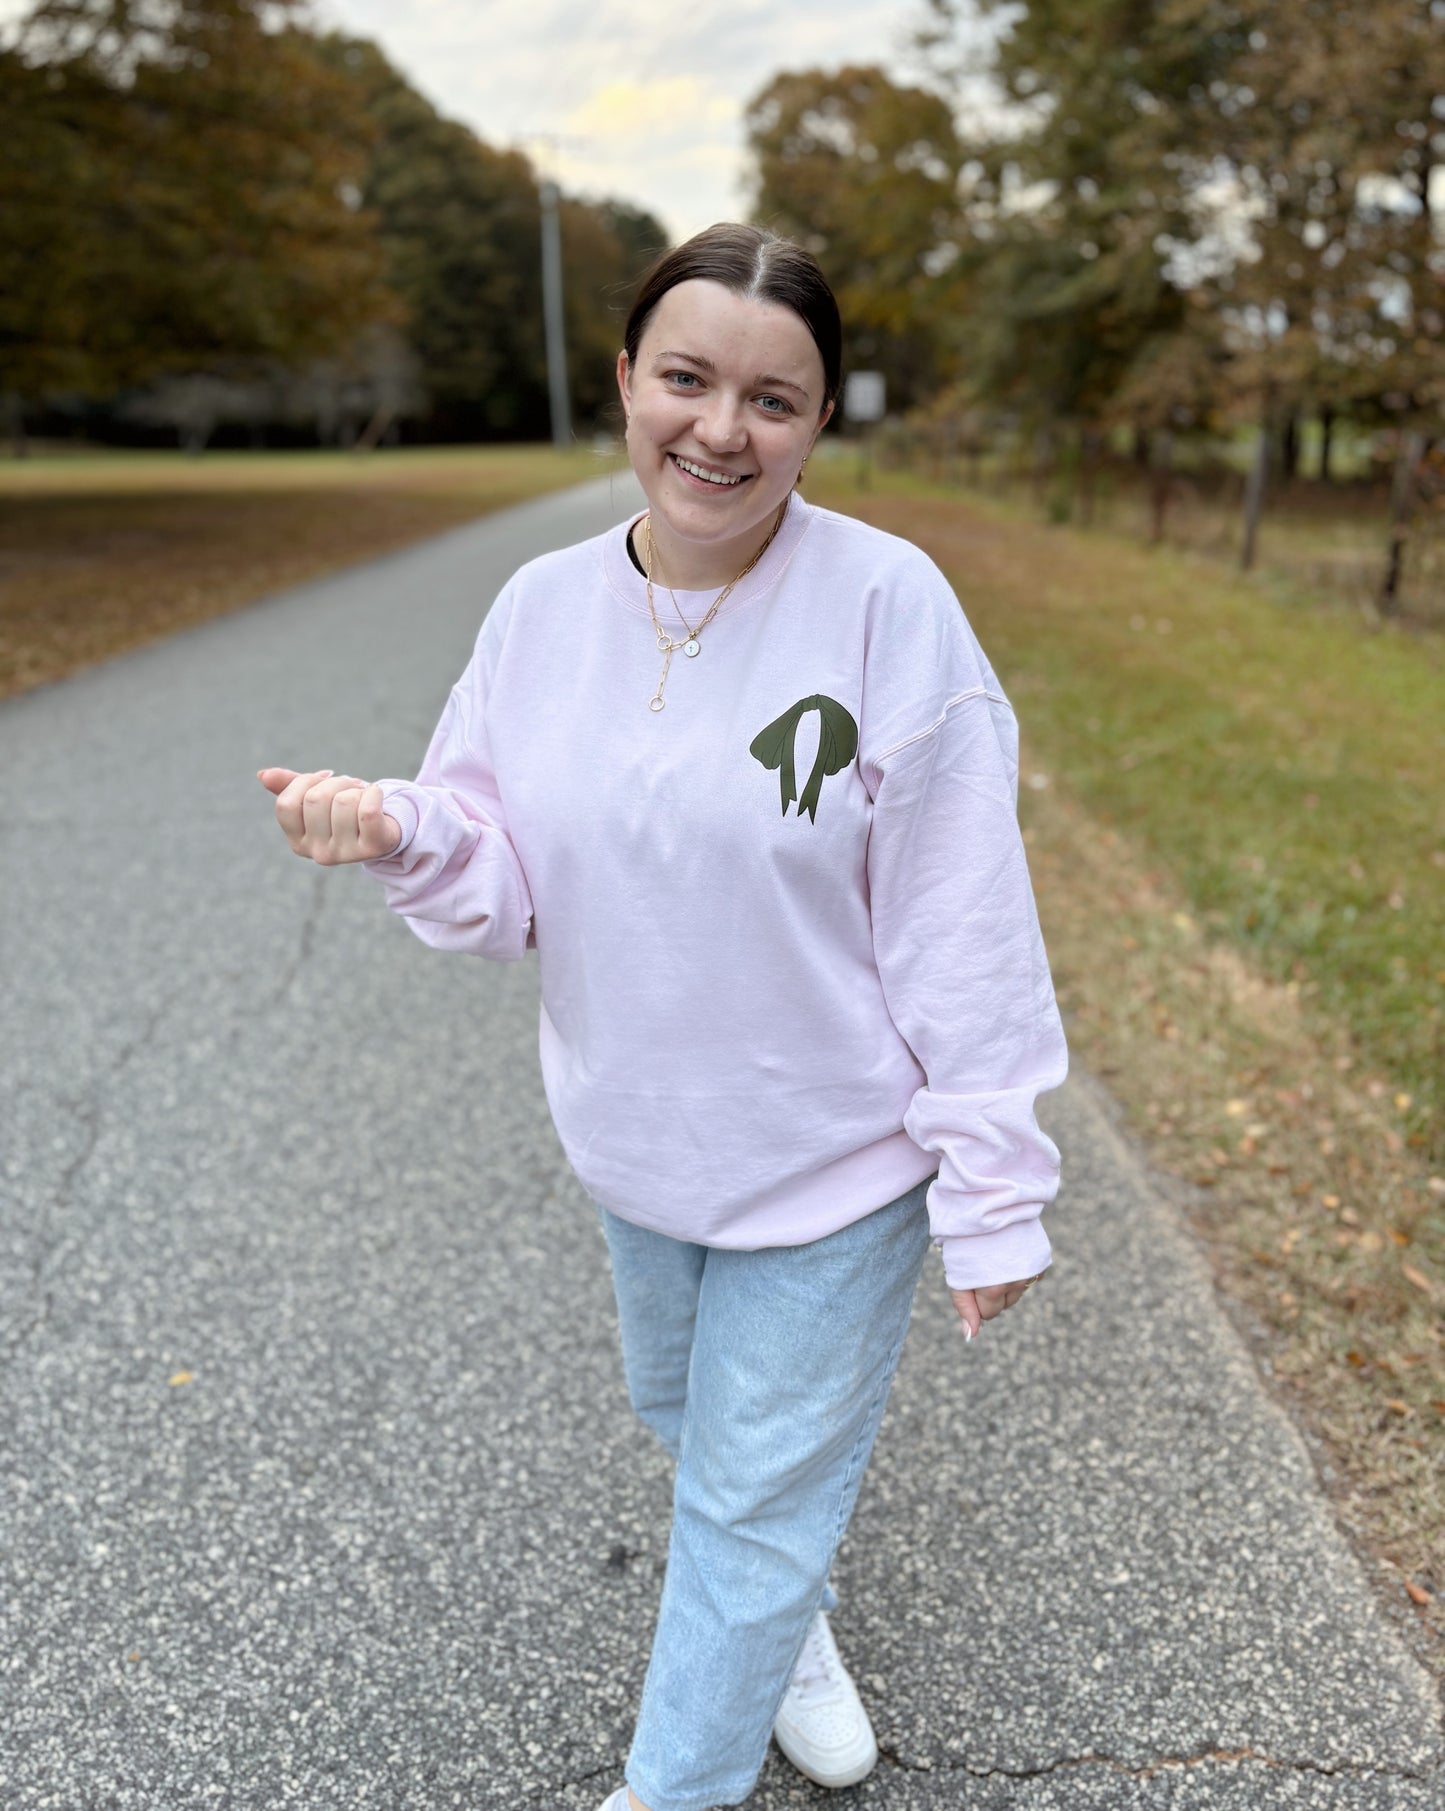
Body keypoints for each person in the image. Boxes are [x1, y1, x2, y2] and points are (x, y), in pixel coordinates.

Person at [258, 222, 1066, 1811]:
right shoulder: (537, 611)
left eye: (773, 398)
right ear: (625, 381)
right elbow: (502, 878)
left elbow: (961, 914)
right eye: (686, 380)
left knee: (755, 1496)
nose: (721, 428)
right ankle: (776, 1632)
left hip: (837, 1157)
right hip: (638, 1141)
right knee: (687, 1419)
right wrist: (406, 829)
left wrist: (992, 1183)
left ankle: (679, 1770)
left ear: (819, 421)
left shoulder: (888, 607)